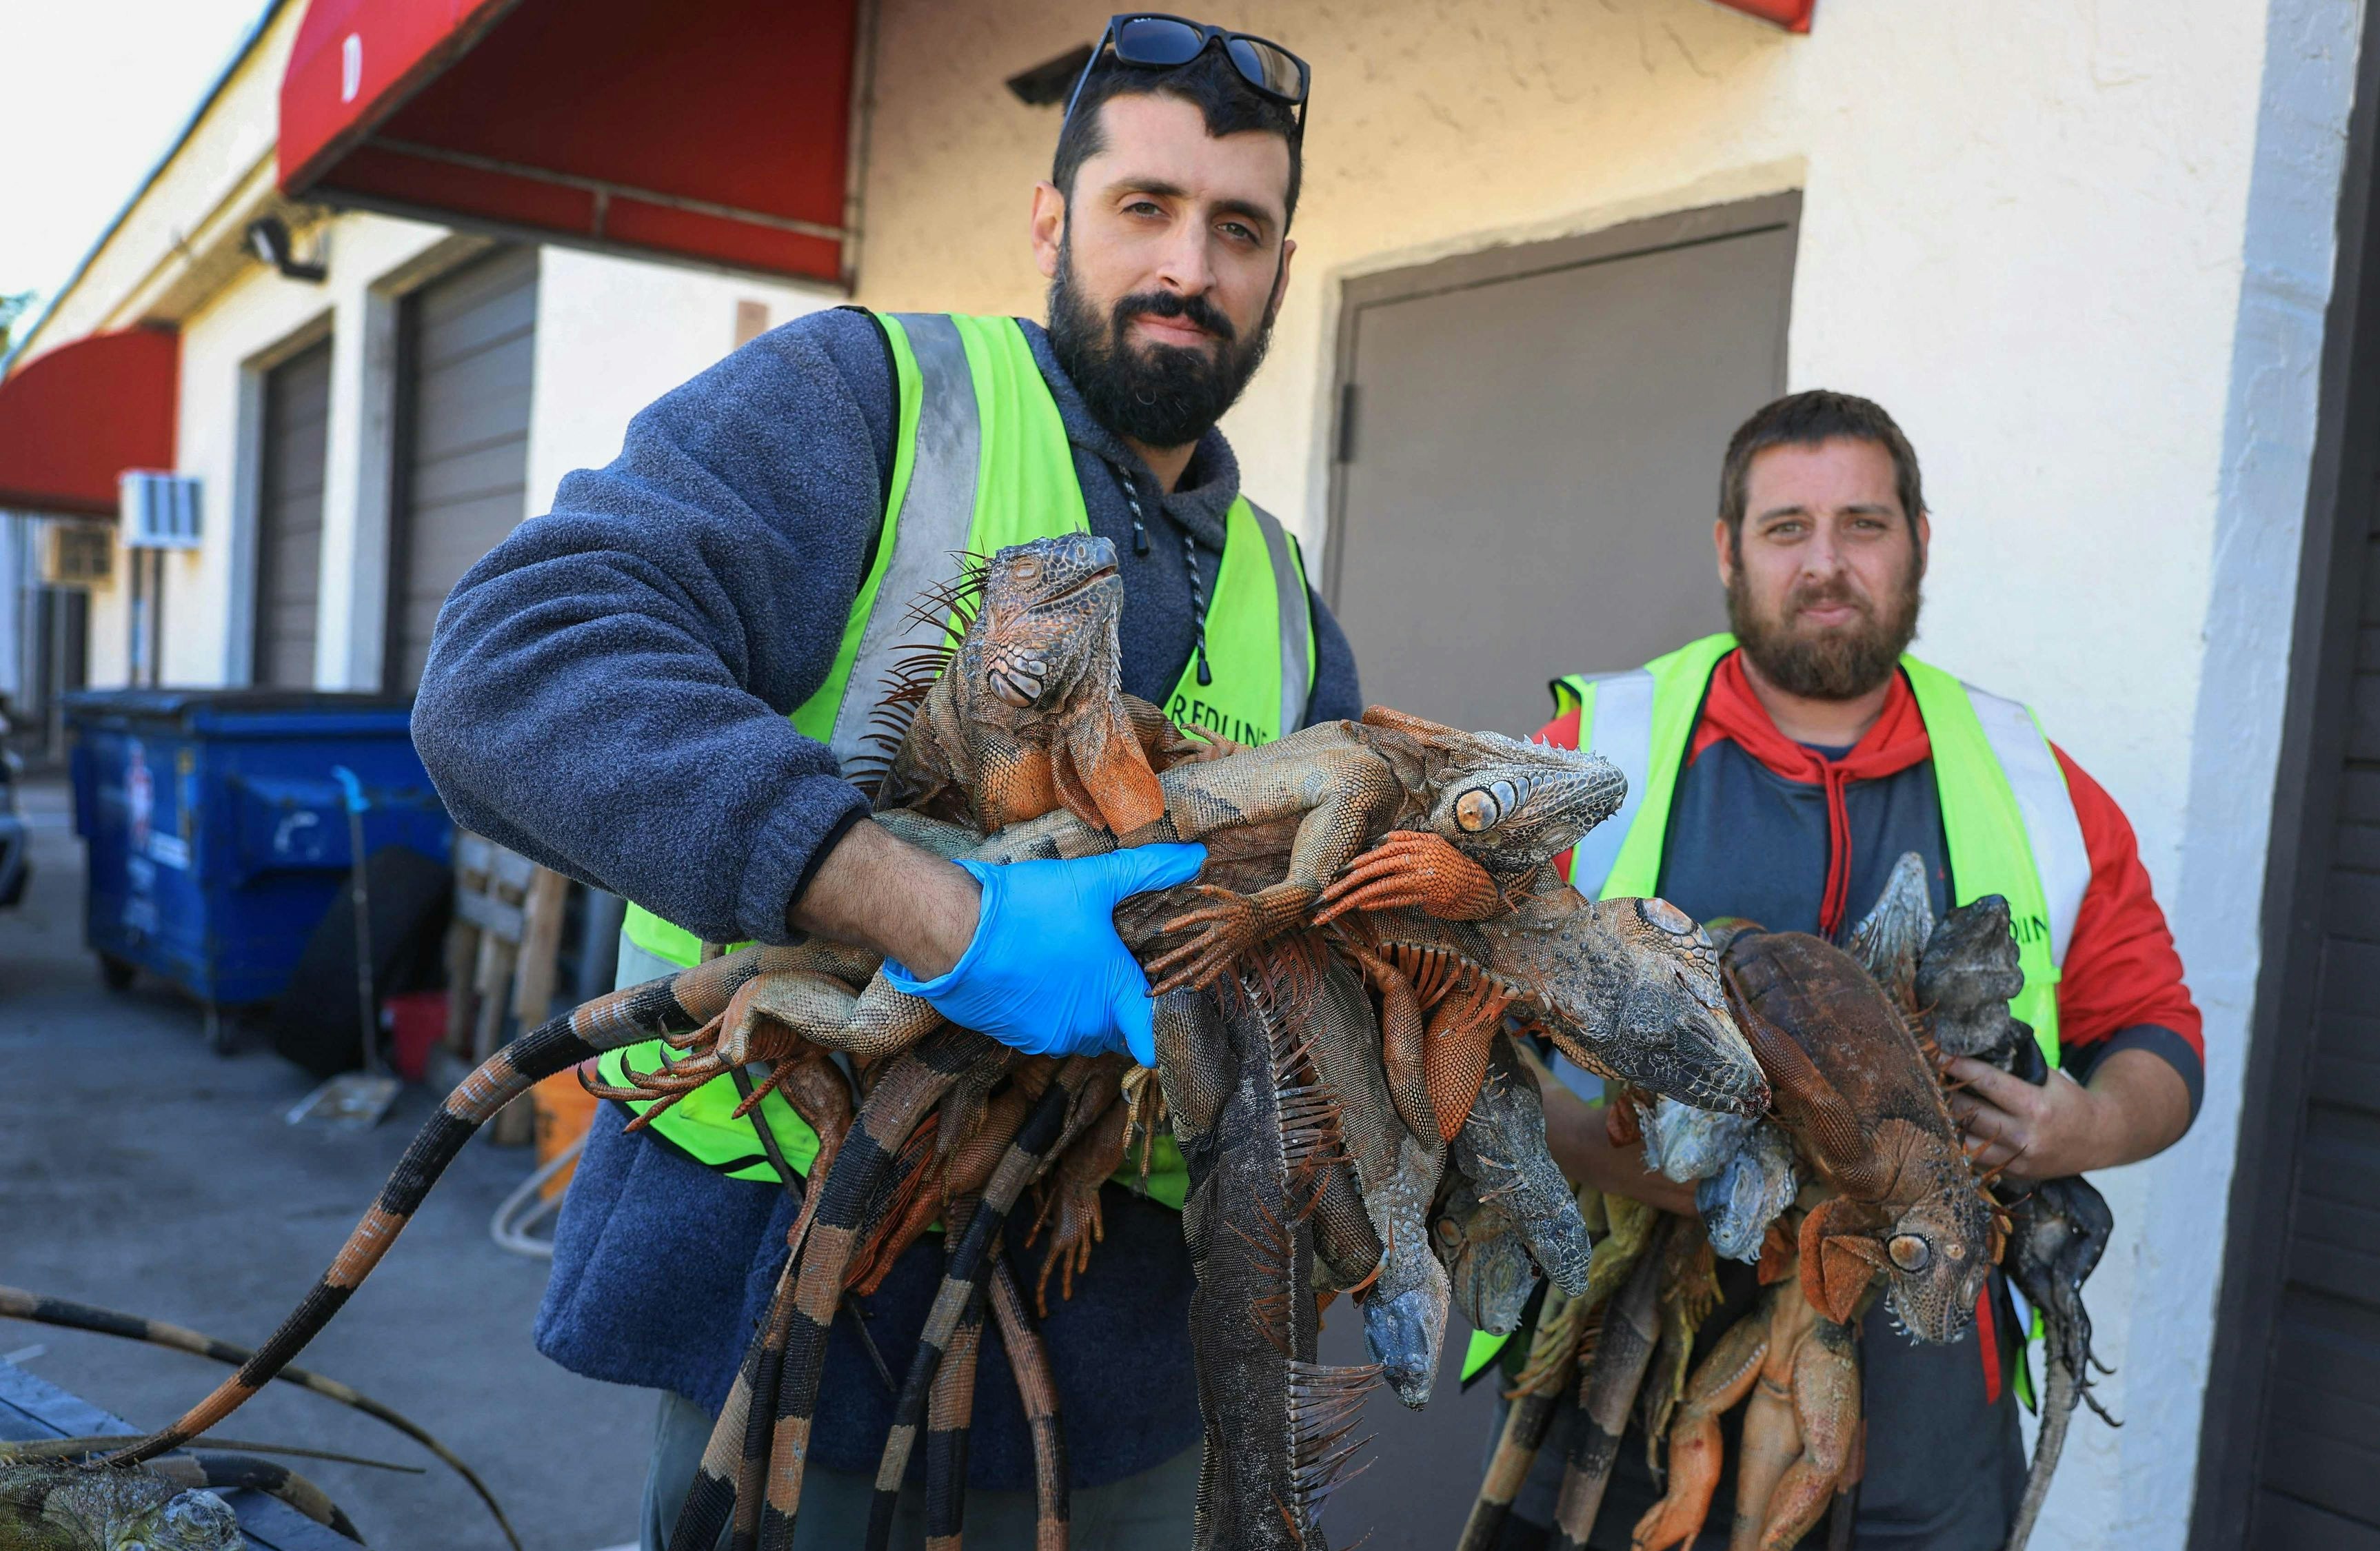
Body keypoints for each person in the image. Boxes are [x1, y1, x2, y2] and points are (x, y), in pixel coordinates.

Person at [410, 17, 1353, 1548]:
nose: (1190, 263)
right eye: (1144, 208)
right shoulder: (880, 399)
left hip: (1130, 1376)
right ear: (1051, 222)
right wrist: (945, 921)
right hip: (802, 1333)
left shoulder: (1285, 594)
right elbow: (512, 673)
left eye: (1236, 227)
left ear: (1280, 268)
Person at [1515, 392, 2201, 1549]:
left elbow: (2160, 1034)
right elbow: (1438, 998)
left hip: (1929, 1414)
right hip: (1618, 1388)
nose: (1826, 564)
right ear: (1728, 549)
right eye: (1787, 528)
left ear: (1920, 541)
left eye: (1864, 525)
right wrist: (1585, 1139)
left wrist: (2080, 1128)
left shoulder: (2036, 784)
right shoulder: (1594, 756)